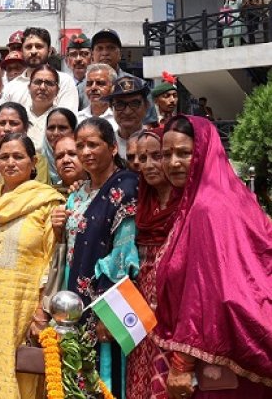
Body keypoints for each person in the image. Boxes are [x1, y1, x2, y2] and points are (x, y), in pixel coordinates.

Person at [154, 116, 272, 399]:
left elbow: (208, 288)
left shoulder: (209, 207)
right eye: (166, 154)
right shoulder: (223, 196)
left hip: (216, 361)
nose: (173, 163)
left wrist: (182, 362)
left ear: (205, 152)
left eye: (184, 153)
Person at [0, 133, 64, 398]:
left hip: (24, 307)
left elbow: (51, 260)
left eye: (18, 156)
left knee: (21, 377)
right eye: (4, 157)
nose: (10, 162)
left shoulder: (47, 202)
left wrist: (41, 312)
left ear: (33, 162)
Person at [52, 117, 139, 398]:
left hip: (105, 302)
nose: (86, 152)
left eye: (93, 144)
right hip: (75, 298)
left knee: (105, 372)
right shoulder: (77, 195)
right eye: (80, 146)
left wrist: (108, 313)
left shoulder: (125, 188)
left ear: (113, 148)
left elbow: (123, 255)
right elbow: (69, 247)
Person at [125, 129, 181, 399]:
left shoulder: (186, 205)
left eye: (156, 156)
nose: (147, 165)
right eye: (143, 158)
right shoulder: (141, 201)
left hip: (175, 311)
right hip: (141, 311)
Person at [0, 27, 79, 113]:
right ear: (22, 52)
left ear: (49, 51)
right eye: (28, 47)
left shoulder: (64, 81)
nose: (33, 51)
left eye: (38, 46)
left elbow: (67, 120)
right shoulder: (11, 87)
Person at [105, 77, 151, 159]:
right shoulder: (106, 144)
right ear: (111, 107)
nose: (127, 111)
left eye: (134, 103)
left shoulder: (156, 141)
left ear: (146, 105)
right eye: (120, 104)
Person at [25, 65, 61, 151]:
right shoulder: (19, 116)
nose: (42, 87)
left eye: (49, 83)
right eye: (38, 82)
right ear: (29, 87)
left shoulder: (62, 119)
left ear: (57, 90)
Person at [41, 107, 78, 191]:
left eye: (62, 128)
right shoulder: (39, 162)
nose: (56, 133)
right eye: (51, 128)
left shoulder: (82, 158)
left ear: (74, 131)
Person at [77, 63, 118, 132]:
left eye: (100, 83)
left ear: (113, 88)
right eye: (89, 84)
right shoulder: (77, 118)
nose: (93, 88)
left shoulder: (119, 118)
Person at [65, 33, 92, 109]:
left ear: (92, 58)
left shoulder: (97, 84)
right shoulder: (62, 84)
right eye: (73, 54)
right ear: (67, 60)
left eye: (84, 54)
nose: (78, 59)